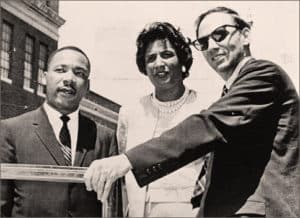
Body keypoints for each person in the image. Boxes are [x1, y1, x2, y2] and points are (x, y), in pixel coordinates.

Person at [84, 6, 299, 218]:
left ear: (245, 35)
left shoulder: (264, 75)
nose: (212, 46)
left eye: (220, 34)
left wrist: (127, 160)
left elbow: (209, 125)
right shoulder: (229, 92)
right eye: (204, 42)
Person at [0, 46, 122, 217]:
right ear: (44, 77)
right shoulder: (10, 131)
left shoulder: (104, 138)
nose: (69, 79)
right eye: (60, 70)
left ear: (87, 86)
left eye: (79, 73)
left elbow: (112, 207)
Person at [117, 22, 208, 217]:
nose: (159, 63)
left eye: (167, 55)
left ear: (182, 60)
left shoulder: (205, 108)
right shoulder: (130, 113)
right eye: (151, 58)